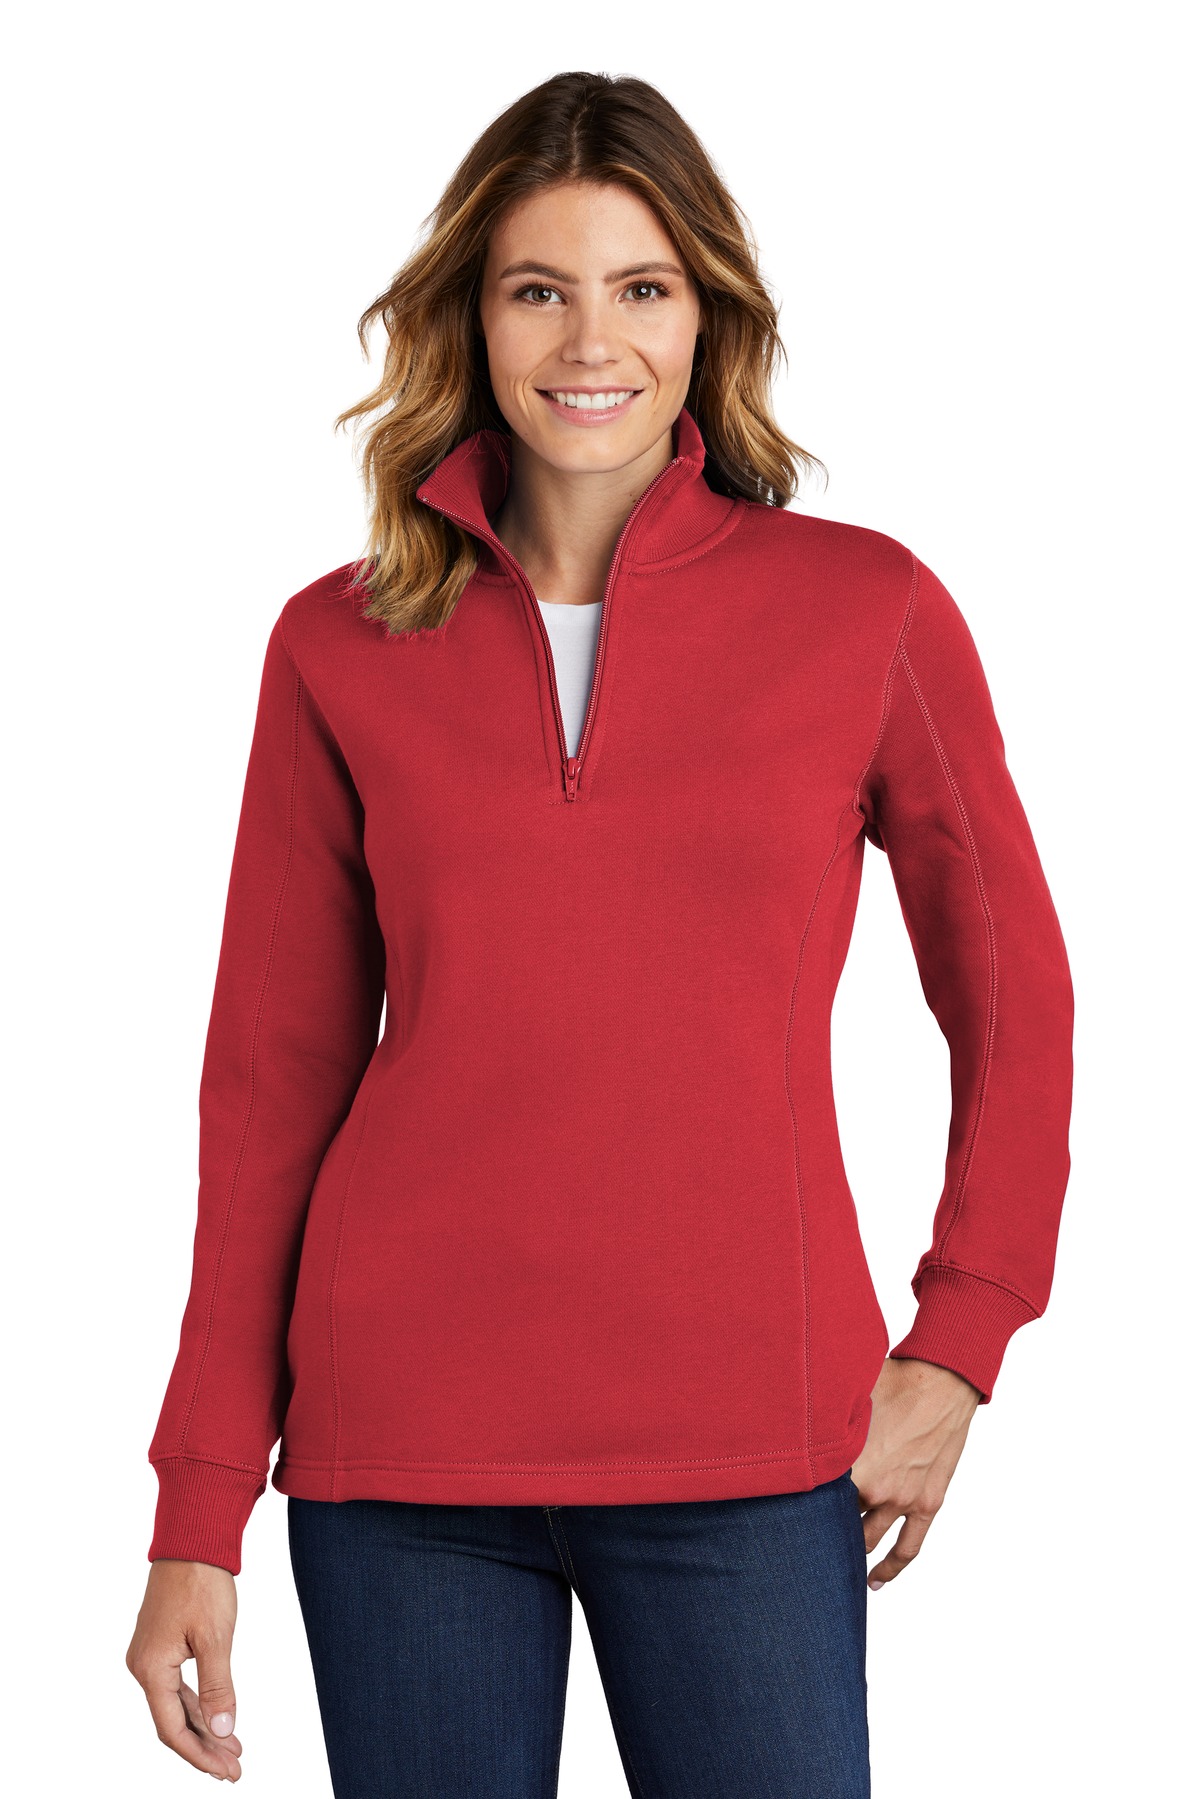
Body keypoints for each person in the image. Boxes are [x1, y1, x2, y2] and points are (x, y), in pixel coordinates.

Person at [125, 70, 1074, 1798]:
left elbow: (1015, 1002)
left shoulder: (864, 610)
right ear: (472, 320)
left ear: (707, 317)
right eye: (536, 289)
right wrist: (198, 1501)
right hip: (400, 1457)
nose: (591, 340)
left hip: (750, 1449)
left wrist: (961, 1341)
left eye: (642, 287)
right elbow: (269, 1085)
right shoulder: (337, 642)